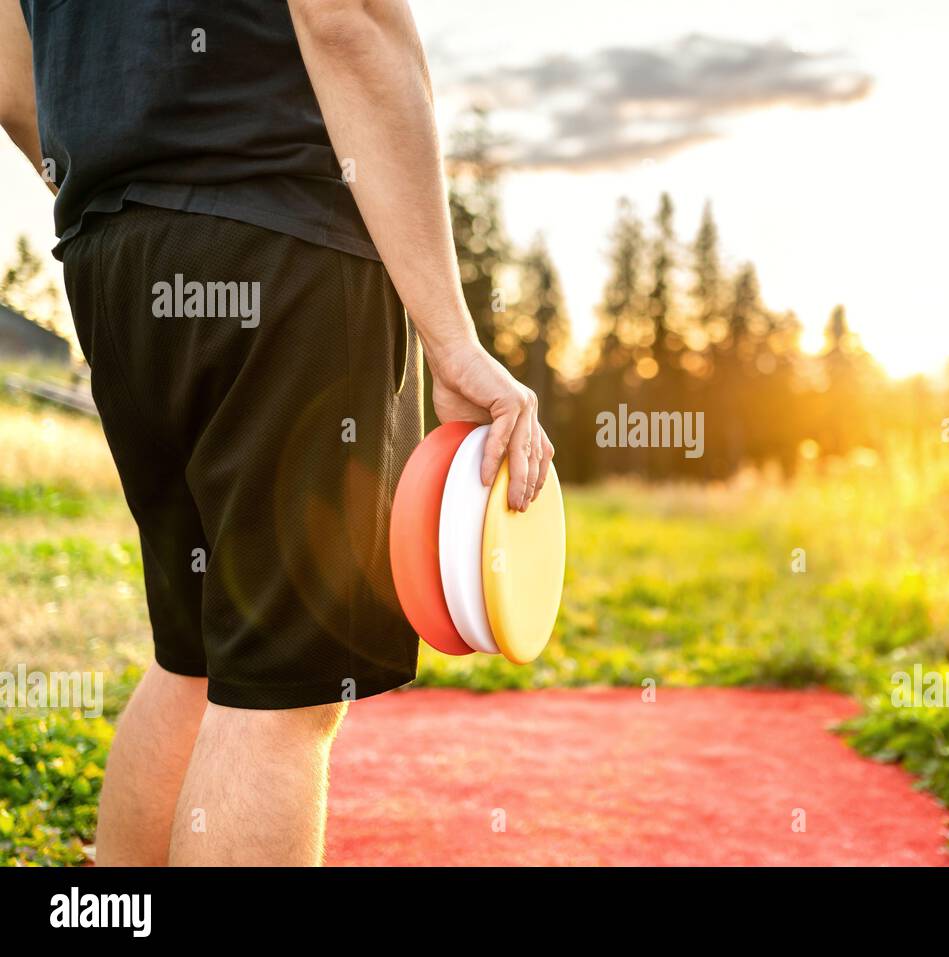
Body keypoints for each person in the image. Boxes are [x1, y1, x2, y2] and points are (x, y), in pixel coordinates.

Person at [0, 0, 554, 866]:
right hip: (282, 240)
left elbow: (8, 63)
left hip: (109, 252)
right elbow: (347, 17)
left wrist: (125, 186)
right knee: (283, 689)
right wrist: (451, 338)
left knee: (193, 655)